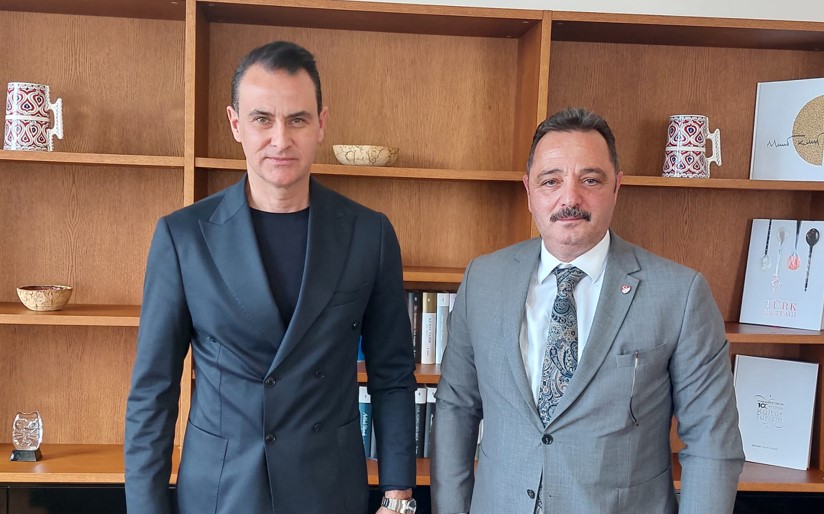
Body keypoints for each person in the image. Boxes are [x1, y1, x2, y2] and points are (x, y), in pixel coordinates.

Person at [125, 41, 417, 514]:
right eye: (262, 119)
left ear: (321, 124)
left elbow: (393, 375)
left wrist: (398, 495)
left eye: (297, 119)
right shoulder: (183, 237)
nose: (280, 140)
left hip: (329, 490)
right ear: (235, 124)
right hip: (220, 492)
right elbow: (153, 392)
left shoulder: (370, 234)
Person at [431, 108, 744, 514]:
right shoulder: (483, 280)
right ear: (529, 191)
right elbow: (456, 407)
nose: (570, 198)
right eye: (551, 180)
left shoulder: (681, 295)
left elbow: (712, 442)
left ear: (617, 187)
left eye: (590, 180)